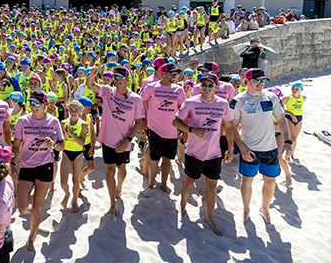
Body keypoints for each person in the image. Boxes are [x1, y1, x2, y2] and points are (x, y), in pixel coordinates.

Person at [172, 73, 235, 236]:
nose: (206, 87)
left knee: (212, 187)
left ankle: (209, 217)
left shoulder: (223, 104)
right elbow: (176, 121)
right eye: (204, 85)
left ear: (216, 87)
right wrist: (191, 130)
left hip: (214, 154)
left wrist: (231, 148)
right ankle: (183, 204)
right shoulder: (191, 102)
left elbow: (229, 127)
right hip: (194, 153)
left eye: (210, 85)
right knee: (189, 182)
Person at [230, 68, 293, 224]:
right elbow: (232, 128)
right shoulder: (239, 101)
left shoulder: (271, 97)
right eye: (257, 80)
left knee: (271, 181)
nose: (261, 83)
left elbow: (281, 120)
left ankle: (264, 208)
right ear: (247, 81)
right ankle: (246, 209)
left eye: (263, 80)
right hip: (249, 150)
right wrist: (242, 148)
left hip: (270, 149)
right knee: (247, 181)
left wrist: (288, 141)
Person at [86, 66, 144, 216]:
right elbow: (90, 85)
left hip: (124, 141)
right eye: (115, 78)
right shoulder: (108, 91)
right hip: (108, 140)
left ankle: (119, 187)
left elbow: (138, 122)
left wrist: (128, 140)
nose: (117, 81)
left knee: (121, 169)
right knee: (110, 171)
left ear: (127, 79)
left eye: (120, 78)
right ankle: (112, 202)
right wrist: (92, 75)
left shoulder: (136, 99)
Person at [11, 90, 64, 251]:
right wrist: (13, 164)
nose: (33, 106)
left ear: (45, 104)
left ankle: (31, 237)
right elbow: (15, 145)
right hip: (26, 166)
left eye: (36, 103)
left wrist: (53, 144)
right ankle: (35, 218)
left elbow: (62, 146)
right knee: (21, 208)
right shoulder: (22, 120)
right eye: (30, 102)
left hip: (45, 166)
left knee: (38, 207)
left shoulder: (53, 121)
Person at [141, 63, 185, 196]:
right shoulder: (151, 87)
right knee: (154, 160)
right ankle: (151, 183)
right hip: (155, 129)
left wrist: (184, 129)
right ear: (163, 73)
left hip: (172, 131)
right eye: (172, 73)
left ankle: (164, 184)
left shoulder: (179, 90)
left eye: (176, 74)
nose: (174, 76)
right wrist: (144, 120)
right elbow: (140, 101)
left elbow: (184, 107)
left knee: (167, 160)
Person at [60, 100, 88, 213]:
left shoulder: (83, 124)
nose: (73, 111)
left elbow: (82, 143)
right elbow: (60, 140)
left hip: (78, 154)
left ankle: (75, 201)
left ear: (81, 110)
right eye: (71, 109)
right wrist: (65, 134)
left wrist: (71, 134)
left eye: (76, 109)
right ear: (67, 110)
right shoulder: (63, 123)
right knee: (63, 182)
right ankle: (67, 194)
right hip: (66, 153)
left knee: (75, 180)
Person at [282, 81, 306, 166]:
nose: (294, 90)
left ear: (301, 90)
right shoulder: (287, 98)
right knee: (292, 139)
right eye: (293, 88)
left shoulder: (303, 98)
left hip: (299, 119)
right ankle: (287, 156)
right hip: (289, 119)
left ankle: (292, 154)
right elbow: (280, 109)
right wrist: (291, 114)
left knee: (295, 139)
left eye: (296, 89)